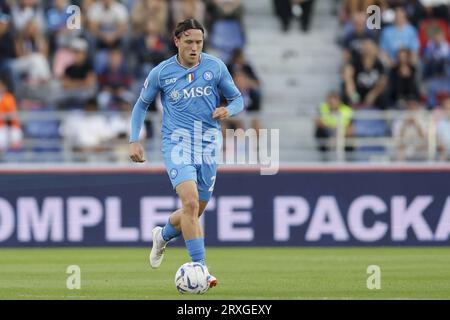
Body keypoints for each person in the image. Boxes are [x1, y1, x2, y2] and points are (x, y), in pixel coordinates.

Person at [128, 19, 244, 289]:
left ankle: (163, 235)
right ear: (177, 40)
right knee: (190, 204)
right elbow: (140, 105)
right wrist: (134, 140)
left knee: (195, 211)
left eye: (199, 42)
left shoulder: (215, 67)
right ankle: (201, 268)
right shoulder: (162, 72)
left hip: (208, 146)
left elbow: (238, 99)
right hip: (177, 144)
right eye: (189, 42)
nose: (195, 48)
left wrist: (229, 110)